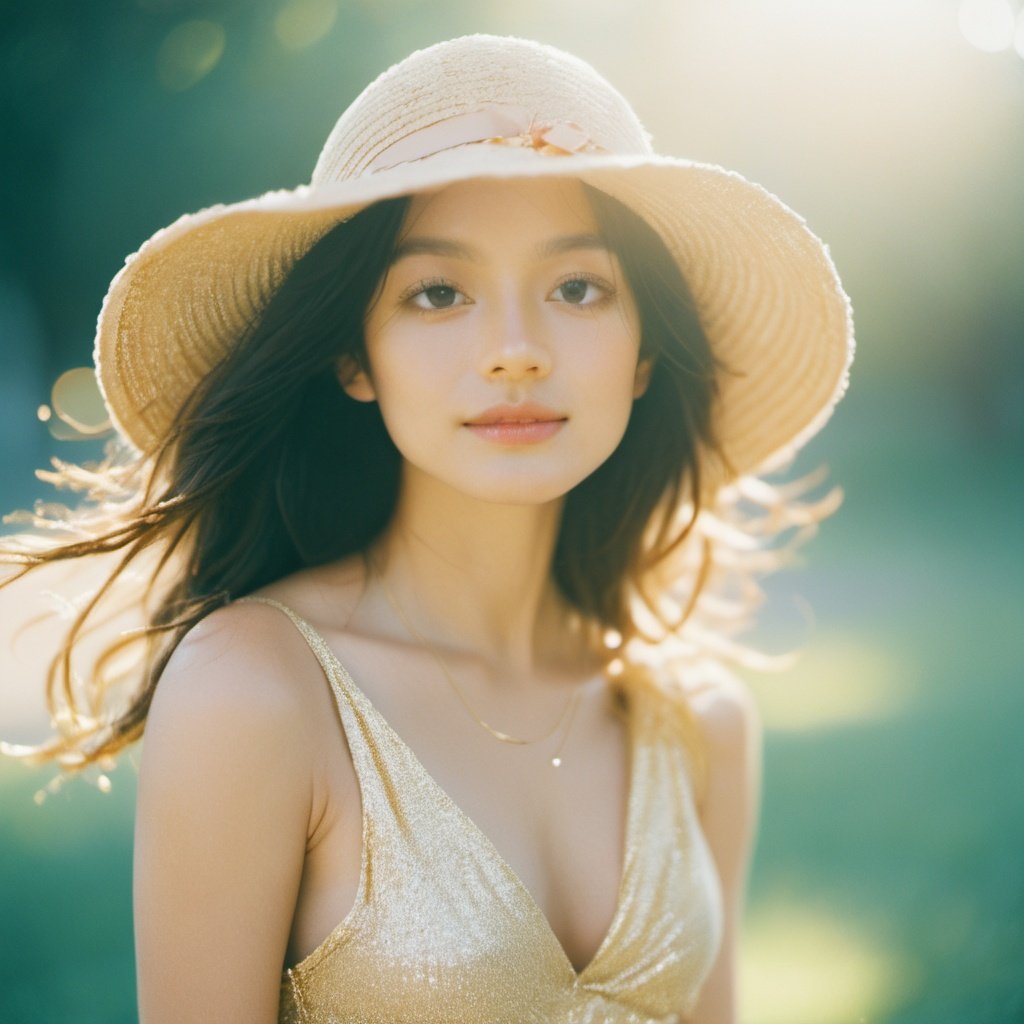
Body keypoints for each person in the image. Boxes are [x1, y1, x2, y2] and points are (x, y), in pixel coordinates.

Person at [0, 34, 853, 1024]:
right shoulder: (260, 688)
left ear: (644, 353)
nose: (516, 352)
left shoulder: (699, 723)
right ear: (355, 358)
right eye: (436, 292)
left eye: (577, 286)